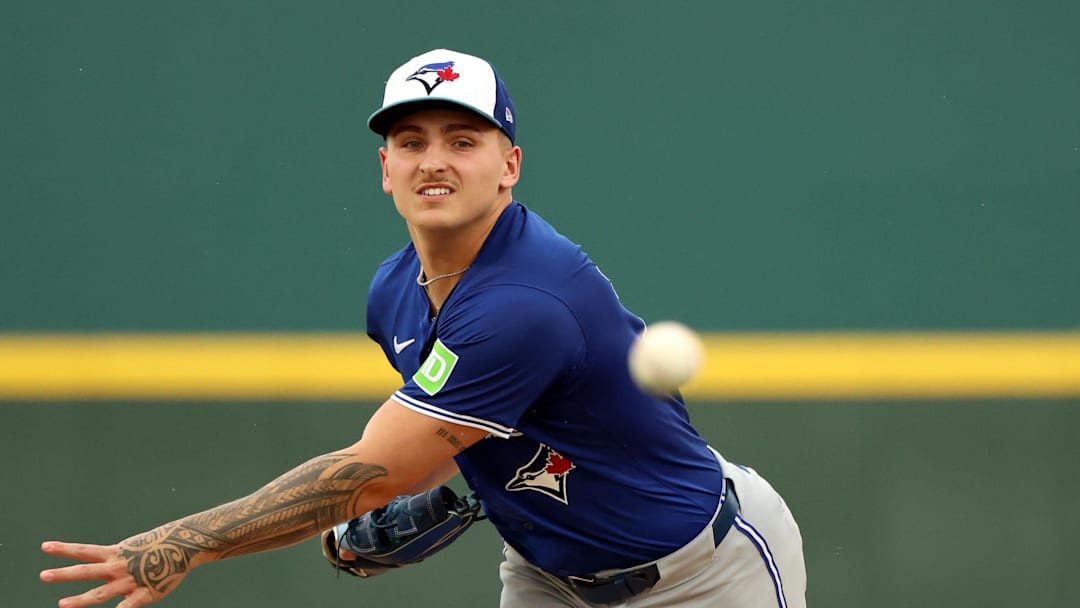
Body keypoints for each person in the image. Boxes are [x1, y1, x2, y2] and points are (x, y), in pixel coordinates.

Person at [40, 48, 806, 608]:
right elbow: (446, 434)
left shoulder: (527, 299)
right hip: (545, 575)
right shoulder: (393, 291)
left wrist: (188, 542)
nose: (433, 161)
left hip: (702, 578)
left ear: (509, 164)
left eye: (462, 140)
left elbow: (382, 471)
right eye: (412, 141)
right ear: (385, 167)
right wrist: (458, 487)